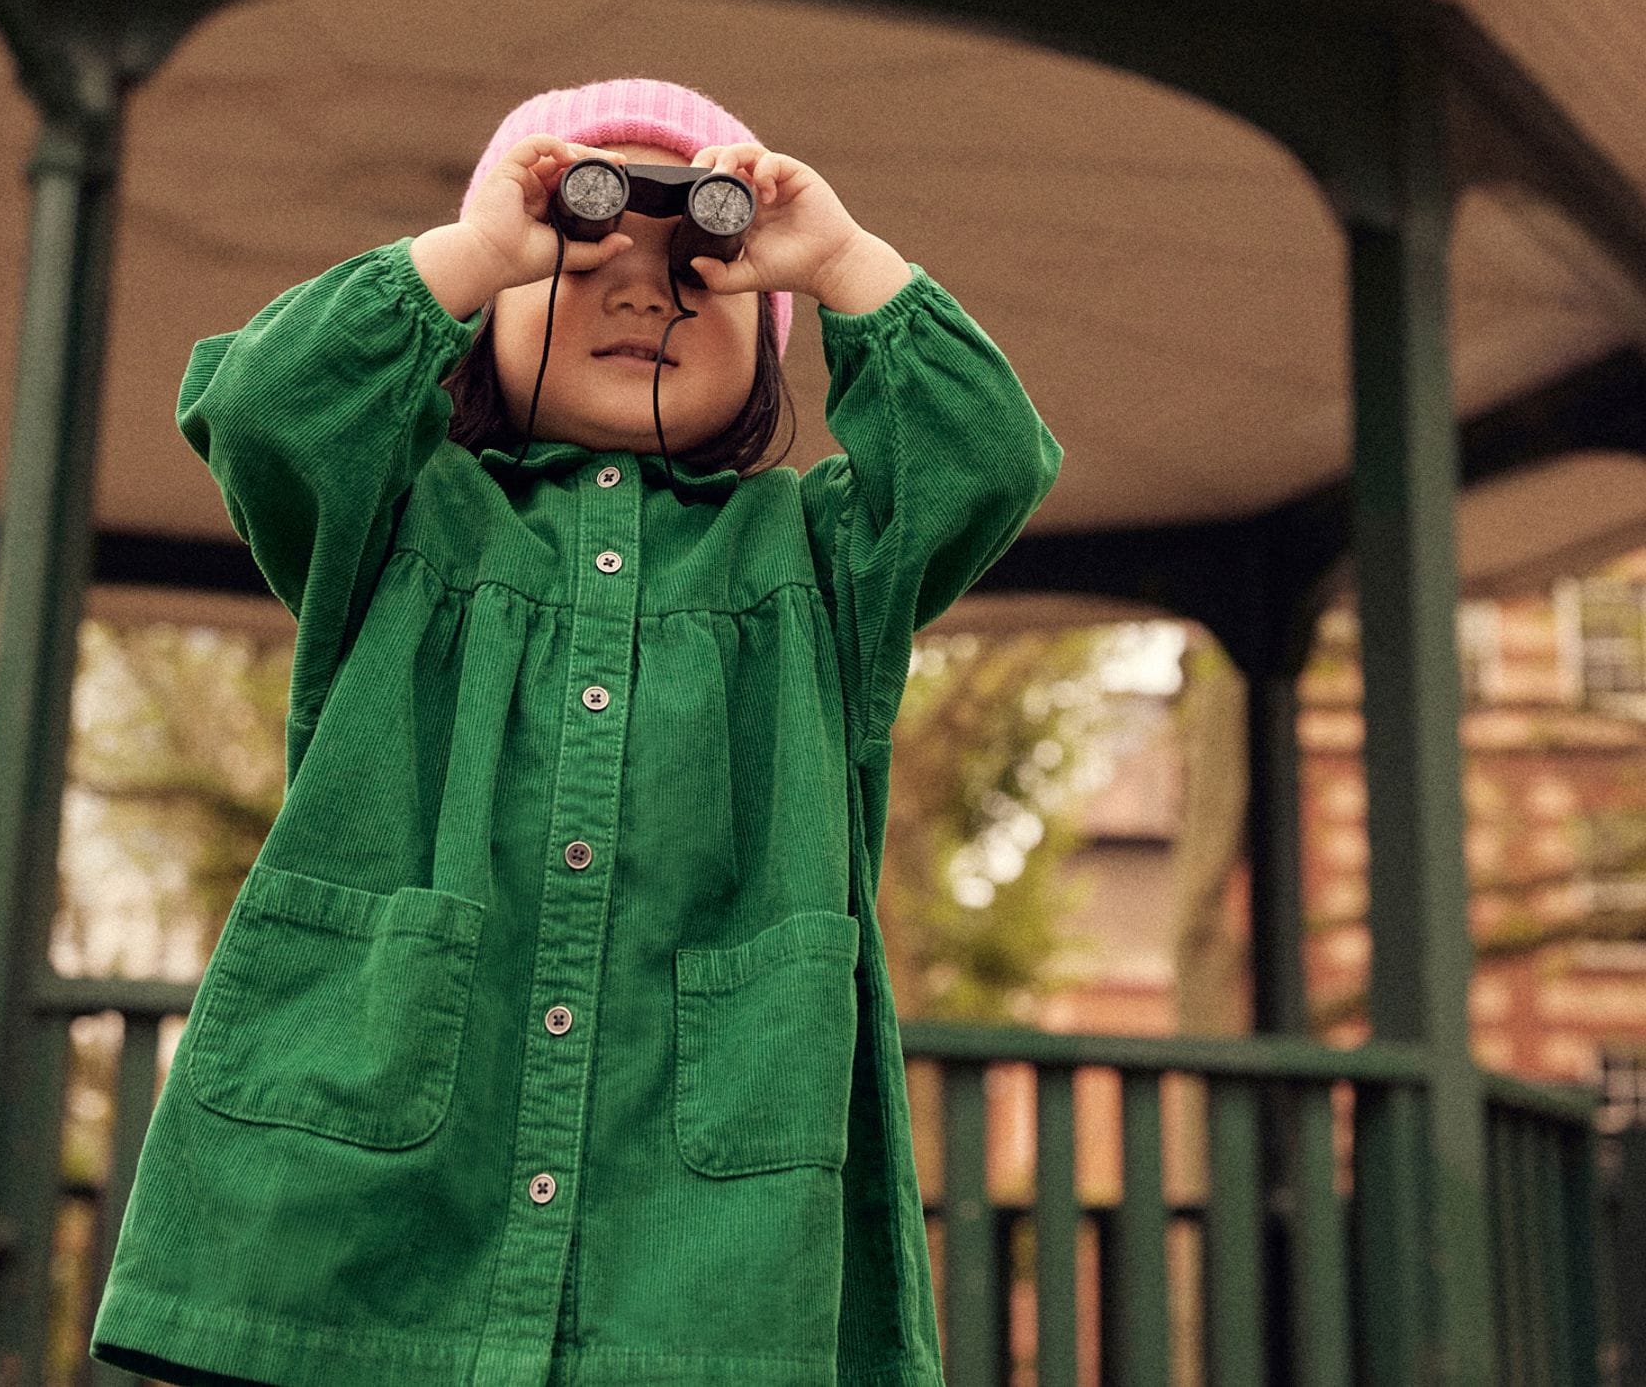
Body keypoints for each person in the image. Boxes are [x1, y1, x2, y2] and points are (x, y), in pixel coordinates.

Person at [91, 76, 1063, 1387]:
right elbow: (267, 410)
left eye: (699, 268)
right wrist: (479, 249)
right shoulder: (400, 523)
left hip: (690, 1239)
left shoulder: (815, 562)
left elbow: (985, 460)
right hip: (372, 1219)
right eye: (584, 247)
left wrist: (841, 263)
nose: (643, 290)